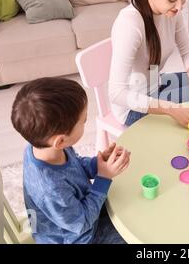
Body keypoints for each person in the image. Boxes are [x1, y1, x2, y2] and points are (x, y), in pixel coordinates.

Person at [11, 77, 130, 244]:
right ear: (60, 141)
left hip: (80, 213)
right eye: (83, 121)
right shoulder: (51, 189)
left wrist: (97, 163)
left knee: (130, 200)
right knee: (136, 234)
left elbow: (75, 166)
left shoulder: (43, 146)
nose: (85, 123)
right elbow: (81, 224)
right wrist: (104, 178)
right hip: (79, 237)